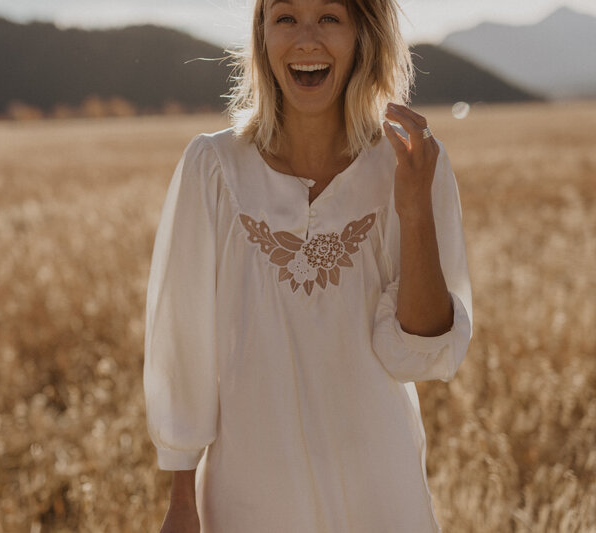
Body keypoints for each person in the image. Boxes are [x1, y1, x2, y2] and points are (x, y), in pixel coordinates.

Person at [143, 0, 473, 531]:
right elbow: (182, 343)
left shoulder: (411, 164)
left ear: (363, 35)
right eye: (285, 17)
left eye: (329, 17)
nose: (306, 40)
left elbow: (419, 353)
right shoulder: (213, 168)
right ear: (262, 36)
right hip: (249, 491)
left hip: (379, 489)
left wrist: (413, 212)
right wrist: (182, 500)